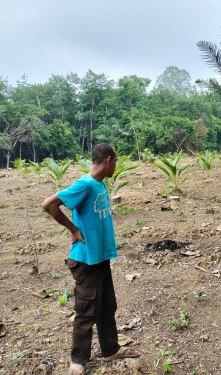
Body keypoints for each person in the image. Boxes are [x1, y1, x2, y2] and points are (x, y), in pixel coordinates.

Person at [42, 143, 139, 375]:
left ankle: (110, 348)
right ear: (107, 160)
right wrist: (73, 230)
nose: (115, 165)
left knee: (107, 306)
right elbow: (49, 204)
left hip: (100, 258)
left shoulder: (99, 184)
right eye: (115, 161)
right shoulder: (84, 185)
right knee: (86, 311)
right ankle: (77, 360)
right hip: (86, 260)